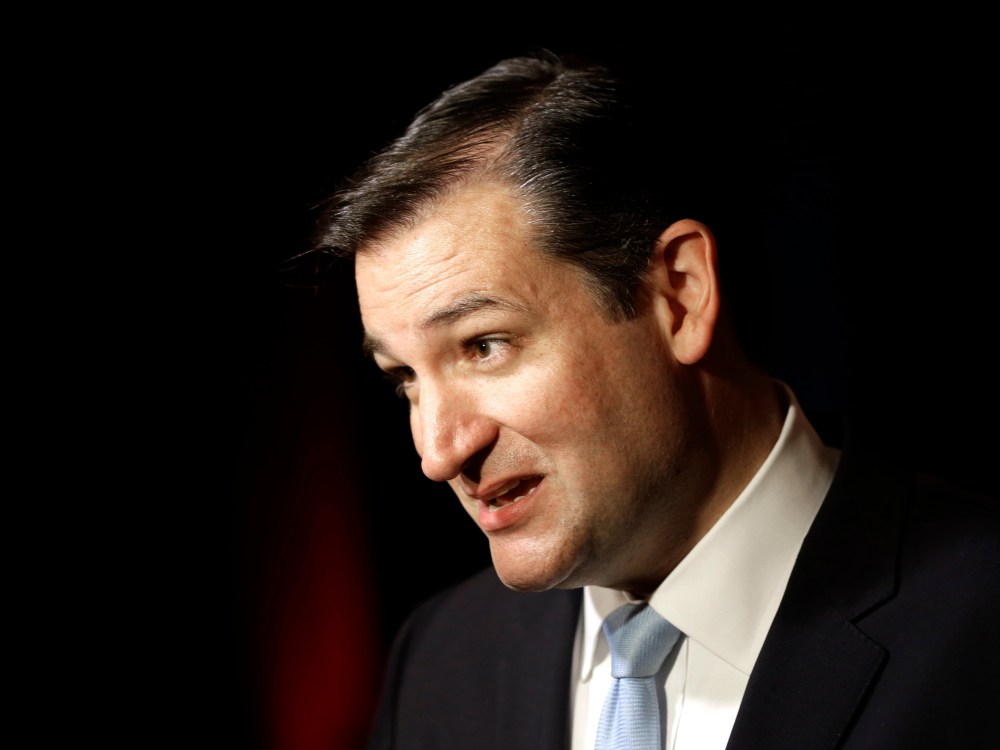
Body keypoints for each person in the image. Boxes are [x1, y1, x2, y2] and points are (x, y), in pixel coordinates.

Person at [306, 48, 998, 749]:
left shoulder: (980, 621)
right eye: (405, 379)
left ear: (680, 294)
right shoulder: (442, 661)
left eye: (484, 345)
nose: (438, 451)